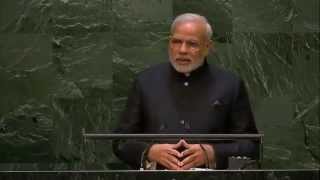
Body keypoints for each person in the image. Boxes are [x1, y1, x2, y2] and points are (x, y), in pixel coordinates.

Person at [112, 13, 258, 170]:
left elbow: (250, 145)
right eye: (176, 42)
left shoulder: (230, 85)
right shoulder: (145, 81)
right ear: (169, 43)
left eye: (192, 44)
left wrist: (213, 152)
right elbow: (121, 141)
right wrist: (150, 151)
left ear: (207, 47)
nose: (182, 50)